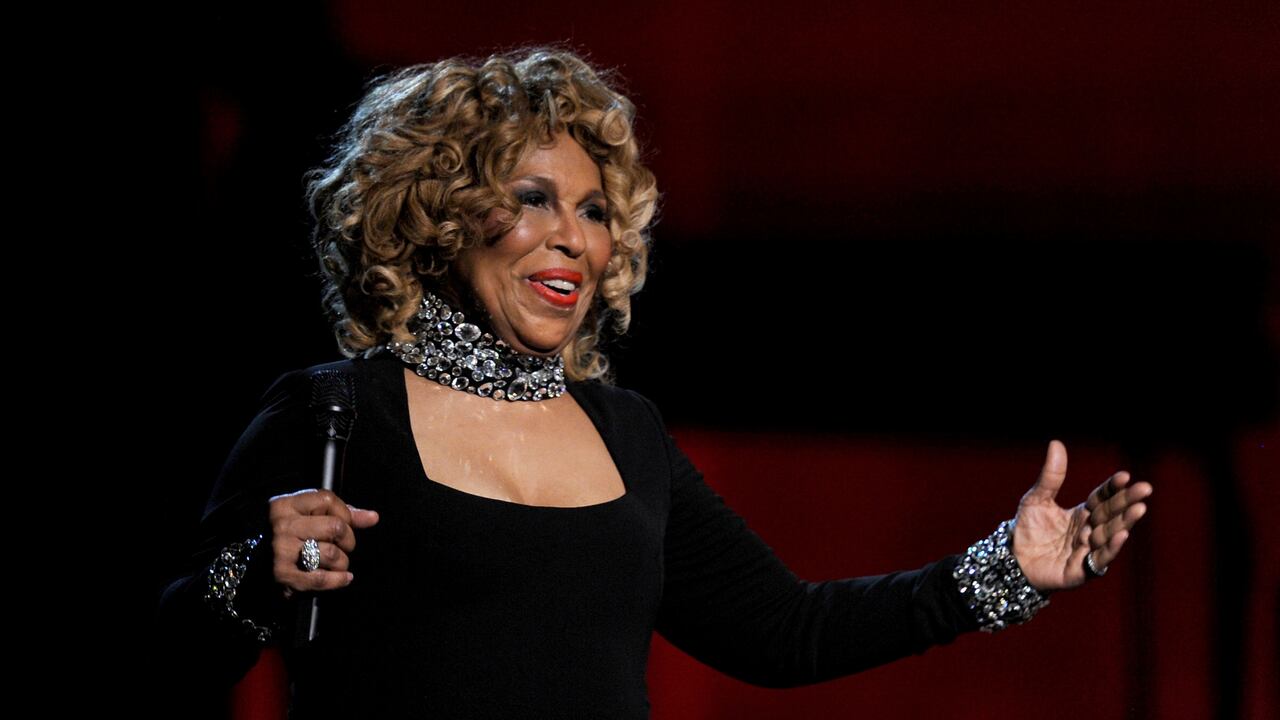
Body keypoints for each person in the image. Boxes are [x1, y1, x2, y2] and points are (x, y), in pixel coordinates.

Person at [154, 46, 1154, 719]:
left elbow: (785, 632)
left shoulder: (625, 434)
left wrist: (1006, 574)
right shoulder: (335, 415)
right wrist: (246, 579)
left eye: (594, 212)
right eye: (533, 199)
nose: (572, 239)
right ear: (441, 217)